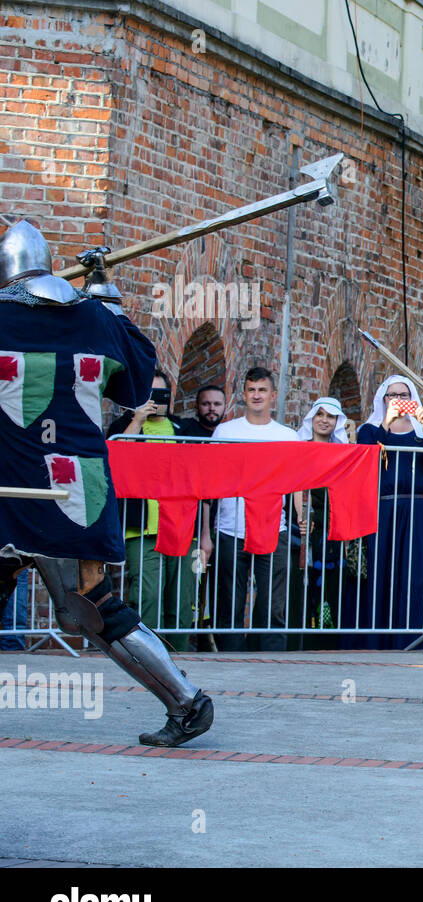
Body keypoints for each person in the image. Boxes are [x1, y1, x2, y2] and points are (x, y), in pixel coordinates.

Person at [0, 220, 212, 746]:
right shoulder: (94, 317)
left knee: (91, 608)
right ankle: (186, 702)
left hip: (11, 489)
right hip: (75, 490)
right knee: (92, 610)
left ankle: (188, 703)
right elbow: (137, 379)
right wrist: (106, 295)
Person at [202, 367, 300, 652]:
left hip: (273, 528)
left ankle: (272, 662)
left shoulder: (287, 436)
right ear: (243, 394)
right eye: (251, 390)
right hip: (231, 528)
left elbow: (295, 486)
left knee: (274, 603)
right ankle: (230, 660)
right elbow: (210, 484)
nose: (257, 395)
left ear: (273, 396)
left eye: (262, 390)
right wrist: (207, 532)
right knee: (229, 602)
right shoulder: (225, 431)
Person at [353, 375, 423, 650]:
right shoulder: (370, 429)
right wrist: (386, 424)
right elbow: (368, 460)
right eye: (392, 395)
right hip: (386, 510)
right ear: (383, 399)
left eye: (404, 395)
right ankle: (385, 637)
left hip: (421, 511)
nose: (398, 400)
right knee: (385, 573)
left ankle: (421, 636)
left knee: (420, 574)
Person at [106, 369, 198, 651]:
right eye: (149, 394)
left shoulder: (186, 429)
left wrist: (204, 534)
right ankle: (147, 655)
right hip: (143, 526)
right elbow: (116, 456)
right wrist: (138, 418)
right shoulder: (124, 425)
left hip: (182, 526)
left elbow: (200, 482)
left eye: (161, 394)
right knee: (147, 595)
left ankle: (179, 654)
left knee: (181, 598)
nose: (156, 400)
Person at [291, 397, 364, 647]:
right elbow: (297, 485)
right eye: (320, 414)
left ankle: (327, 640)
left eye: (330, 416)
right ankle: (303, 641)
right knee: (306, 585)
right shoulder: (302, 448)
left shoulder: (341, 450)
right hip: (309, 523)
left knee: (332, 586)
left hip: (334, 525)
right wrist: (302, 515)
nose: (324, 420)